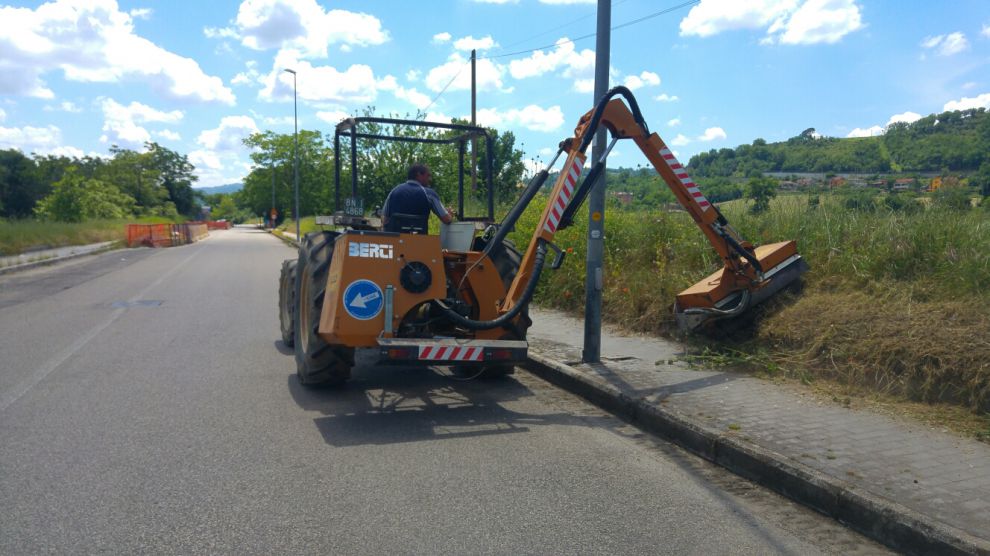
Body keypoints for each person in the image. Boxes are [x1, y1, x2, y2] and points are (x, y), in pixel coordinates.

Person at [382, 163, 454, 233]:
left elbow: (384, 220)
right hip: (419, 239)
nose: (430, 179)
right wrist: (450, 215)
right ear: (419, 174)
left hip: (395, 239)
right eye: (428, 176)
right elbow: (446, 219)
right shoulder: (429, 194)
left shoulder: (394, 192)